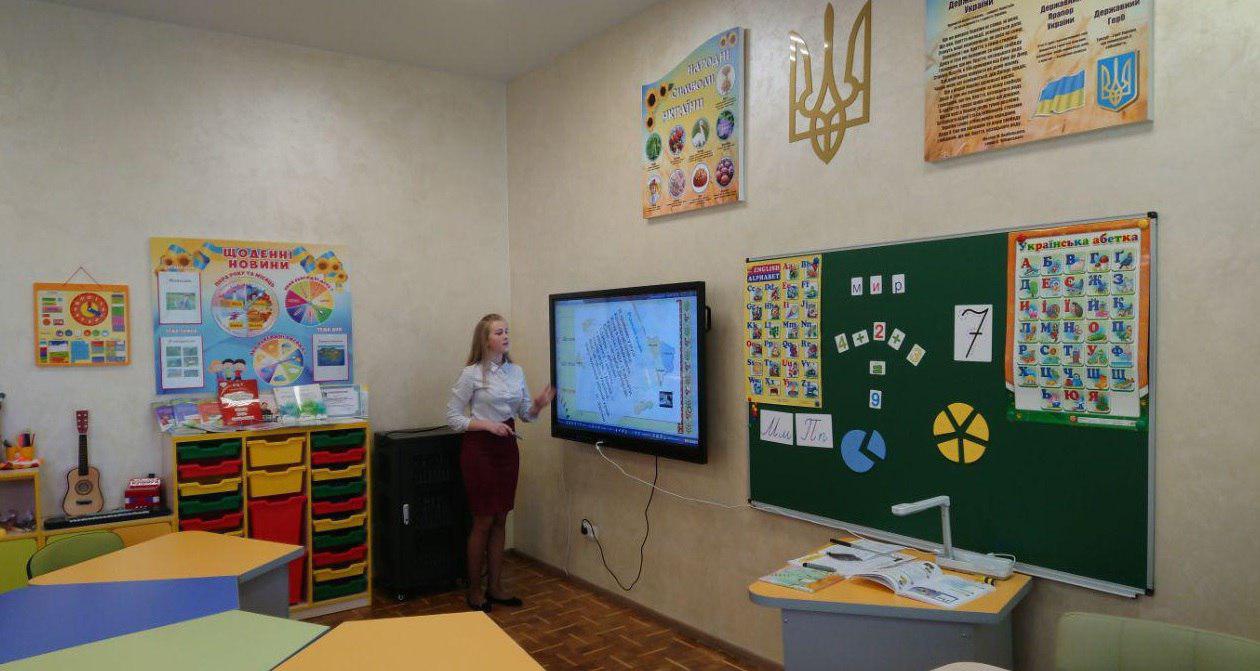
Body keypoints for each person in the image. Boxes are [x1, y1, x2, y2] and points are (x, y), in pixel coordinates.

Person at [446, 313, 555, 612]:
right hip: (480, 450)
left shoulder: (516, 372)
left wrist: (538, 405)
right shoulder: (471, 374)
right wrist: (487, 426)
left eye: (506, 331)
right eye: (498, 332)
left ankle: (495, 587)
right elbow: (453, 418)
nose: (505, 336)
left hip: (507, 449)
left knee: (500, 518)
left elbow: (525, 415)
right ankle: (474, 591)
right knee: (483, 519)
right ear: (485, 340)